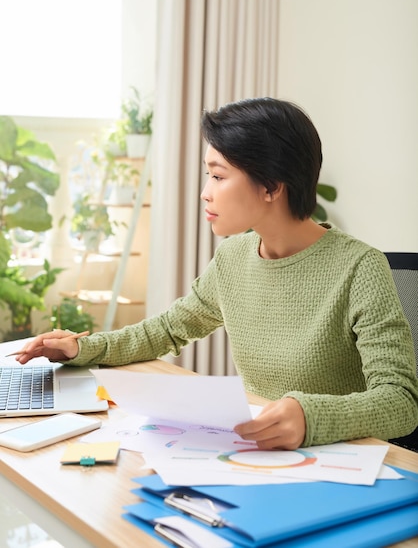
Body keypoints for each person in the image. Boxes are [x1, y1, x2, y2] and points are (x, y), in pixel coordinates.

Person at [16, 97, 418, 450]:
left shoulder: (359, 267)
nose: (206, 192)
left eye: (219, 175)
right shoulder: (233, 258)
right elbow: (167, 330)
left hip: (338, 461)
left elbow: (400, 402)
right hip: (256, 451)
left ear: (271, 186)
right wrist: (80, 350)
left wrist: (309, 416)